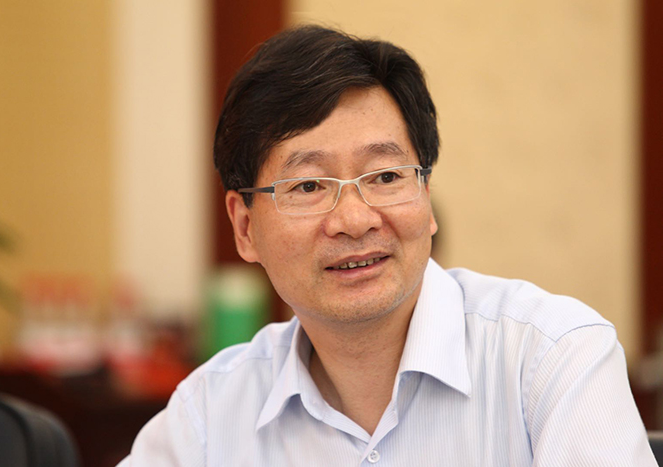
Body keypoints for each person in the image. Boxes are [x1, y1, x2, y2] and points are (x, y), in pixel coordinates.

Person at [119, 25, 656, 466]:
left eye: (385, 177)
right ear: (244, 228)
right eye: (308, 186)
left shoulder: (552, 360)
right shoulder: (208, 417)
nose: (354, 220)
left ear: (426, 197)